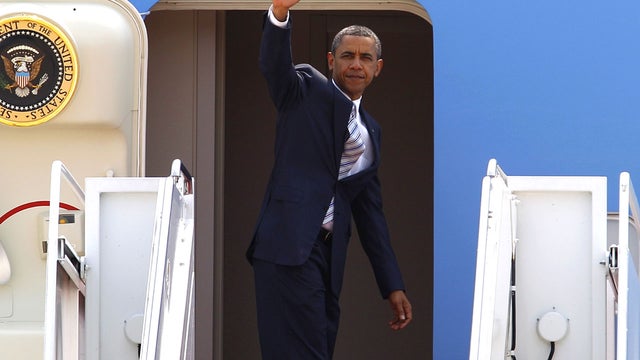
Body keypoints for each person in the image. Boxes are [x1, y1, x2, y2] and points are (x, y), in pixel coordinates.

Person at [246, 0, 413, 358]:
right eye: (347, 55)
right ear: (330, 60)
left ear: (378, 68)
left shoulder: (371, 132)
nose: (356, 64)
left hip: (327, 254)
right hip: (288, 246)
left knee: (317, 347)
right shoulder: (305, 91)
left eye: (365, 58)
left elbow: (371, 214)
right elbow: (274, 67)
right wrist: (278, 13)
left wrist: (392, 285)